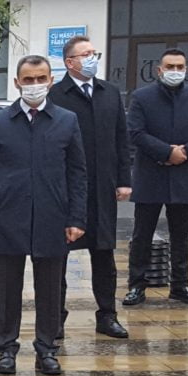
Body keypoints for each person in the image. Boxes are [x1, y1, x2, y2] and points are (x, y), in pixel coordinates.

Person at [0, 56, 87, 376]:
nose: (34, 85)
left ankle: (46, 348)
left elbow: (77, 173)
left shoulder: (67, 121)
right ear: (16, 83)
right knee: (6, 288)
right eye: (28, 79)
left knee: (50, 288)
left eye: (40, 79)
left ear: (51, 81)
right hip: (7, 217)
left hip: (53, 216)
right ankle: (6, 348)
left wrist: (76, 218)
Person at [50, 36, 132, 339]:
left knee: (104, 253)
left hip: (103, 185)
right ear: (69, 62)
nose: (92, 58)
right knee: (58, 255)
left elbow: (121, 138)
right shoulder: (56, 95)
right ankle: (55, 317)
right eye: (85, 54)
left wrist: (124, 179)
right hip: (66, 187)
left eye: (93, 53)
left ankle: (107, 315)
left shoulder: (109, 92)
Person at [123, 48, 188, 306]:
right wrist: (166, 152)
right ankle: (136, 285)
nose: (175, 71)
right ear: (159, 70)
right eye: (170, 67)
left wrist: (186, 152)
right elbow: (135, 133)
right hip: (150, 175)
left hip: (184, 175)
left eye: (180, 67)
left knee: (181, 236)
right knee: (142, 234)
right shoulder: (142, 97)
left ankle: (180, 285)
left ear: (186, 70)